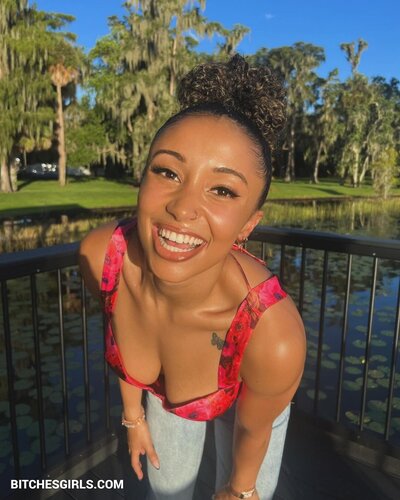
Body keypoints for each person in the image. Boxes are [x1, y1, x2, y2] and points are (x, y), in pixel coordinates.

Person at [79, 54, 306, 500]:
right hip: (167, 398)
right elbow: (120, 327)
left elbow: (252, 434)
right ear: (142, 180)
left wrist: (239, 490)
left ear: (247, 225)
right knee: (167, 492)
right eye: (168, 171)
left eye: (222, 190)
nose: (183, 208)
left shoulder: (272, 335)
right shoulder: (102, 257)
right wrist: (133, 418)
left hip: (252, 406)